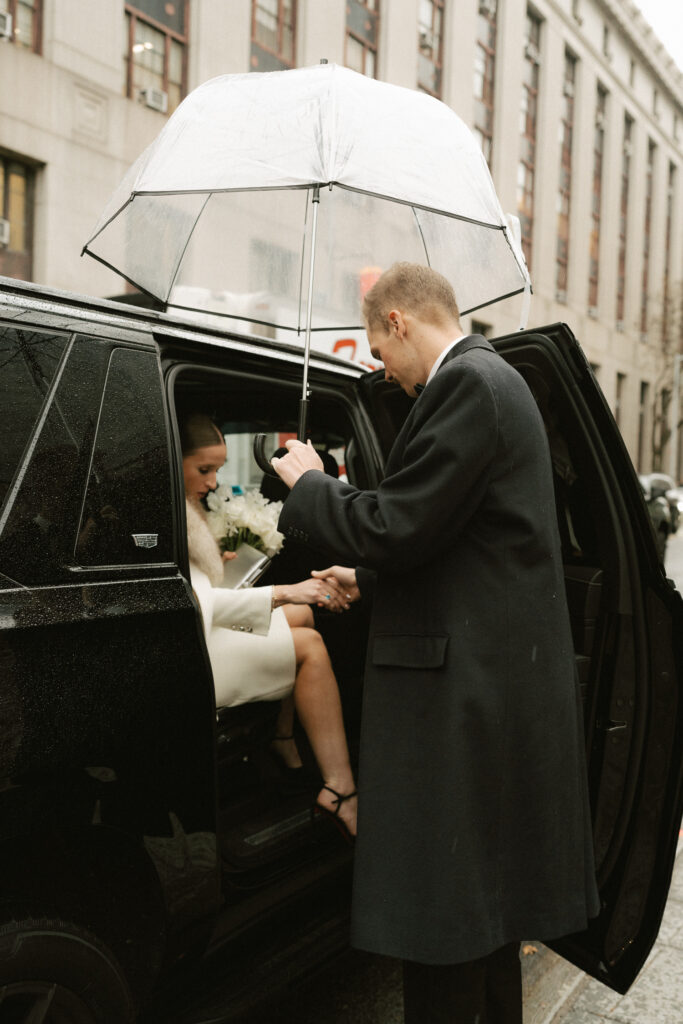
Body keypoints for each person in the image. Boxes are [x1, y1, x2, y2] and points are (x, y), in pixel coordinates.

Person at [271, 263, 599, 1023]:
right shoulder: (490, 382)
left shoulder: (466, 385)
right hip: (482, 687)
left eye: (383, 359)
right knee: (476, 915)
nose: (391, 378)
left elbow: (401, 521)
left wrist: (313, 485)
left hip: (462, 699)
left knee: (444, 920)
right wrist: (367, 575)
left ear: (397, 322)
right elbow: (456, 541)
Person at [181, 413, 357, 838]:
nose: (213, 482)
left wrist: (219, 562)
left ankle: (283, 734)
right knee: (310, 644)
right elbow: (201, 607)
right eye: (204, 469)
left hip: (200, 630)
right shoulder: (174, 508)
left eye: (218, 470)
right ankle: (341, 788)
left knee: (304, 617)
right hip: (197, 650)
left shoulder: (182, 505)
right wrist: (288, 591)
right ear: (177, 459)